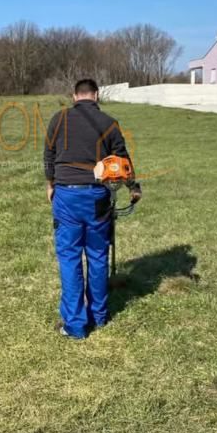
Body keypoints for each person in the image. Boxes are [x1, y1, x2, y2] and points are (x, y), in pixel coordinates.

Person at [43, 78, 141, 339]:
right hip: (97, 196)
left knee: (70, 258)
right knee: (97, 255)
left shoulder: (58, 119)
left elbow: (49, 155)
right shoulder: (109, 123)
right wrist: (134, 186)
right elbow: (122, 160)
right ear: (95, 96)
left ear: (75, 96)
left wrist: (50, 184)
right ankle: (99, 316)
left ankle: (75, 325)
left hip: (66, 196)